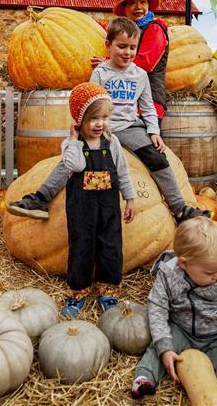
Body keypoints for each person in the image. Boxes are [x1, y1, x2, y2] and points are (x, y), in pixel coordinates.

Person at [7, 18, 209, 223]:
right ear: (108, 46)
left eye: (132, 48)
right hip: (102, 128)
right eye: (121, 46)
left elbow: (147, 107)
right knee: (73, 157)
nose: (127, 52)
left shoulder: (140, 75)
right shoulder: (100, 73)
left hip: (130, 127)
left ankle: (180, 208)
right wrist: (80, 127)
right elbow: (90, 102)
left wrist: (154, 132)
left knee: (158, 160)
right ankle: (40, 199)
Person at [130, 217, 217, 405]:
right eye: (210, 272)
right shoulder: (169, 275)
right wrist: (165, 348)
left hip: (216, 334)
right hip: (181, 330)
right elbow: (158, 309)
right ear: (184, 264)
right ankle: (144, 379)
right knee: (158, 348)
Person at [57, 82, 137, 317]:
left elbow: (122, 172)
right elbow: (76, 165)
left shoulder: (112, 143)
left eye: (104, 117)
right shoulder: (71, 146)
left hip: (108, 208)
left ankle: (108, 291)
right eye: (93, 118)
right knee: (81, 247)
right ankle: (78, 292)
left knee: (110, 247)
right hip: (81, 209)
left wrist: (130, 198)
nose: (100, 123)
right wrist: (73, 140)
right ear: (78, 120)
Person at [92, 0, 170, 124]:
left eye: (143, 2)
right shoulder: (130, 32)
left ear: (148, 6)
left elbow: (145, 63)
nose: (138, 7)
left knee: (147, 144)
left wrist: (107, 62)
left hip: (148, 106)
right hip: (126, 105)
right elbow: (109, 33)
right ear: (125, 9)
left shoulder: (155, 28)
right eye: (132, 3)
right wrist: (89, 24)